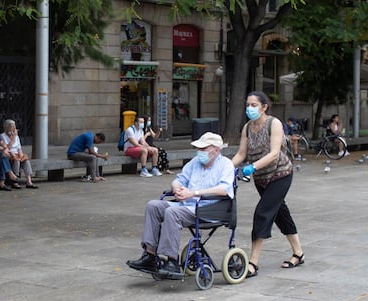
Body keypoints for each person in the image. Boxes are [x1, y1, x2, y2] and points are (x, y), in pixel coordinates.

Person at [126, 132, 234, 276]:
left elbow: (224, 189)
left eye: (204, 149)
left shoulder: (226, 164)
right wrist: (176, 188)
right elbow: (179, 179)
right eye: (199, 149)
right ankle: (150, 255)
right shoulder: (195, 162)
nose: (200, 152)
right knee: (153, 206)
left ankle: (171, 260)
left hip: (208, 208)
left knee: (172, 213)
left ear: (216, 150)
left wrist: (193, 193)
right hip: (187, 205)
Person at [232, 91, 304, 278]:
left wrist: (252, 167)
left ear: (264, 107)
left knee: (263, 212)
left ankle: (253, 263)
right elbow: (241, 154)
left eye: (254, 105)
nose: (249, 108)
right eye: (248, 105)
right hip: (262, 179)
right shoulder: (247, 127)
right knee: (281, 213)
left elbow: (274, 153)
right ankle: (298, 253)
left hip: (280, 175)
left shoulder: (274, 124)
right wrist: (224, 168)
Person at [0, 119, 38, 189]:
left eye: (14, 126)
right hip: (9, 154)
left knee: (26, 161)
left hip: (17, 153)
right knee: (16, 161)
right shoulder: (2, 136)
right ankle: (15, 181)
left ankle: (29, 181)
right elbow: (7, 147)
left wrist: (21, 155)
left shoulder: (16, 137)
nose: (14, 128)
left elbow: (19, 147)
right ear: (6, 127)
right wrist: (13, 138)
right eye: (11, 126)